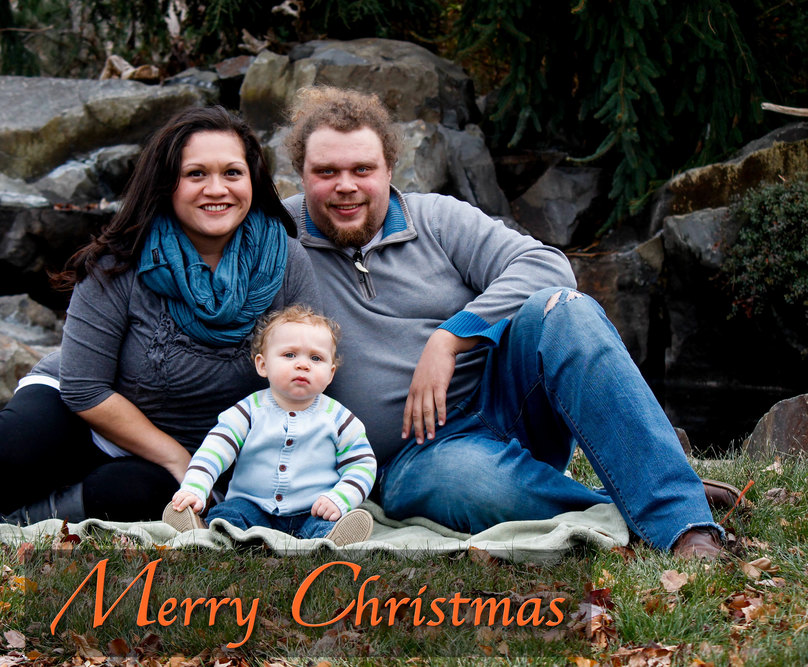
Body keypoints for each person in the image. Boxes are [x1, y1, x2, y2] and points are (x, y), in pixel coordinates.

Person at [279, 86, 735, 559]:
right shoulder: (279, 238)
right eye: (326, 172)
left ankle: (685, 525)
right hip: (414, 458)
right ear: (301, 174)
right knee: (467, 484)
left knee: (564, 309)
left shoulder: (436, 219)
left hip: (510, 402)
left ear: (389, 171)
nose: (345, 185)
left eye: (362, 169)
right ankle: (639, 500)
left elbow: (547, 266)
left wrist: (451, 336)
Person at [0, 105, 321, 530]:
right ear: (167, 182)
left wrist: (213, 465)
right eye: (196, 174)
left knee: (133, 497)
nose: (216, 189)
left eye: (232, 173)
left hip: (203, 446)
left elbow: (308, 368)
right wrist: (176, 458)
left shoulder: (286, 263)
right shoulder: (122, 258)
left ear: (252, 181)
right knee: (5, 457)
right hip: (86, 410)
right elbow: (84, 388)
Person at [163, 304, 376, 546]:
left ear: (330, 373)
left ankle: (329, 539)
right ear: (262, 365)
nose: (303, 364)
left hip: (312, 509)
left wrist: (340, 499)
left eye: (316, 358)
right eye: (289, 355)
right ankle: (205, 532)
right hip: (252, 505)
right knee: (229, 514)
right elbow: (215, 449)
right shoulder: (249, 410)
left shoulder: (339, 418)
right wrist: (195, 488)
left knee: (326, 522)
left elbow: (362, 465)